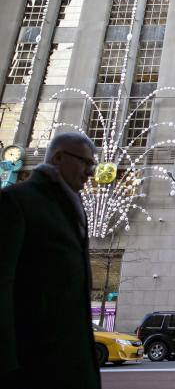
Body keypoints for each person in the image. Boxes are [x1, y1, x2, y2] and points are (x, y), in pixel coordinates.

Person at [0, 132, 100, 389]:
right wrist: (6, 364)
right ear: (58, 157)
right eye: (85, 163)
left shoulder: (71, 207)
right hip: (36, 361)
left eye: (93, 165)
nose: (90, 172)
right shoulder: (17, 201)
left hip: (69, 357)